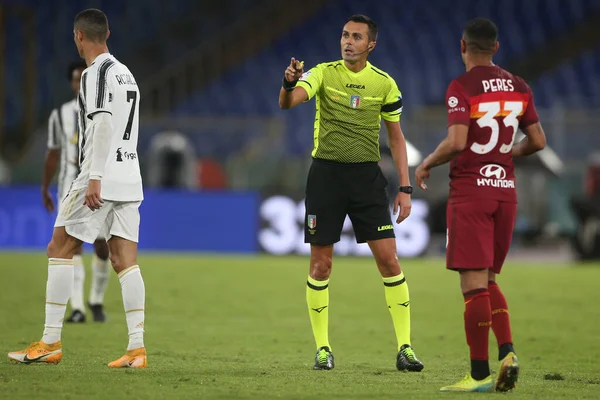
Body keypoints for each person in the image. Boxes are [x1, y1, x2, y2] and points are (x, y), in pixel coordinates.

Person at [279, 14, 424, 372]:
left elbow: (395, 137)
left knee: (389, 261)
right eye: (345, 34)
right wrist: (288, 83)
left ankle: (405, 348)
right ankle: (323, 349)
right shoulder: (324, 73)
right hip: (326, 178)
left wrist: (405, 187)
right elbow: (290, 102)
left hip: (366, 180)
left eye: (356, 37)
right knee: (321, 264)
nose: (348, 41)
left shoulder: (384, 84)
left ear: (370, 45)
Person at [8, 8, 147, 368]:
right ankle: (136, 348)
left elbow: (101, 124)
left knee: (59, 246)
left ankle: (51, 341)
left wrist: (95, 176)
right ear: (108, 33)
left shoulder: (94, 73)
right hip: (130, 175)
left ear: (78, 37)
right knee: (124, 260)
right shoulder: (125, 73)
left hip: (99, 174)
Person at [415, 18, 546, 392]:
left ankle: (477, 376)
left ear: (463, 46)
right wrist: (508, 152)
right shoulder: (519, 86)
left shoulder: (462, 87)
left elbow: (457, 142)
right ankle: (508, 353)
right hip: (505, 191)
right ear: (496, 48)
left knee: (473, 287)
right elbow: (538, 140)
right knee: (489, 279)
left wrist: (426, 163)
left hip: (471, 192)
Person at [43, 60, 111, 323]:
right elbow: (53, 153)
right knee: (72, 245)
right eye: (74, 78)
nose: (78, 82)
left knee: (102, 246)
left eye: (82, 77)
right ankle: (79, 308)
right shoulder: (60, 115)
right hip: (70, 185)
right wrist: (44, 186)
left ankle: (96, 299)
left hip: (99, 184)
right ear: (71, 83)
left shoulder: (104, 108)